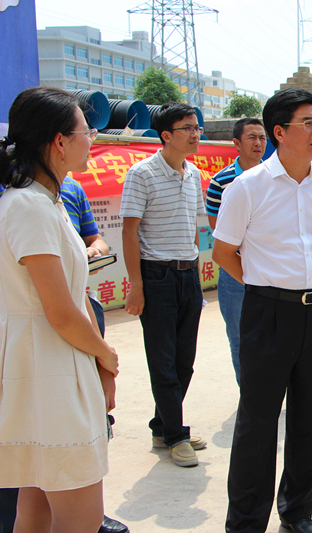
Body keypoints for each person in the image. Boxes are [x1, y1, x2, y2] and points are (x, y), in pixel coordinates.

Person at [214, 88, 312, 533]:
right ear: (279, 132)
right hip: (268, 314)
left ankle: (297, 511)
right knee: (257, 423)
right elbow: (223, 253)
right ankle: (245, 522)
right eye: (308, 123)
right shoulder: (247, 187)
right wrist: (267, 283)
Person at [0, 86, 119, 533]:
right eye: (86, 131)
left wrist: (98, 361)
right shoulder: (29, 206)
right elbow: (60, 311)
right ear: (59, 141)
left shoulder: (47, 200)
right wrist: (106, 355)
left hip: (51, 364)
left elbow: (73, 293)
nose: (92, 140)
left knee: (37, 509)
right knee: (79, 518)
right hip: (48, 372)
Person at [120, 102, 207, 467]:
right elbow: (129, 231)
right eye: (188, 128)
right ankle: (175, 435)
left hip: (188, 274)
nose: (195, 134)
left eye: (197, 127)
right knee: (164, 361)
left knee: (185, 361)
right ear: (166, 135)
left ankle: (162, 425)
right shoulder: (141, 174)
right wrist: (136, 284)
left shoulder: (194, 174)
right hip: (156, 276)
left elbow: (197, 226)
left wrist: (197, 265)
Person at [206, 117, 267, 386]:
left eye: (262, 137)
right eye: (252, 137)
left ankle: (291, 394)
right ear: (236, 143)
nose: (258, 143)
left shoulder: (277, 176)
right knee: (240, 338)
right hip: (234, 273)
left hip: (271, 270)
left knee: (278, 335)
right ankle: (250, 396)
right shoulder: (221, 182)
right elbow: (218, 231)